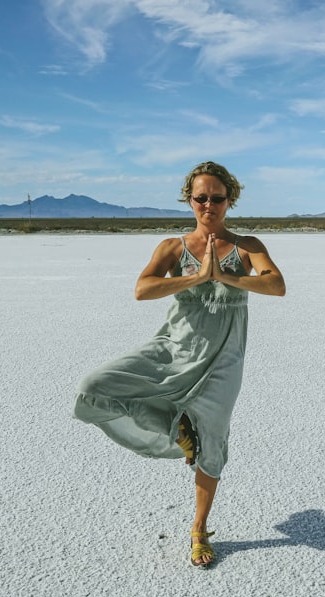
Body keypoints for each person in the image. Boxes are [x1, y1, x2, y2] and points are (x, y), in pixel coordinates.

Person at [73, 161, 286, 567]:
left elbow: (276, 285)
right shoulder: (173, 247)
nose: (209, 205)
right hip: (173, 348)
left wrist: (225, 277)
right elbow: (143, 289)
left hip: (223, 358)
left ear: (230, 200)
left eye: (217, 198)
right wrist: (196, 277)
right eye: (201, 198)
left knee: (214, 439)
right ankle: (178, 430)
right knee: (96, 386)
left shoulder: (247, 245)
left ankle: (199, 530)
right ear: (189, 200)